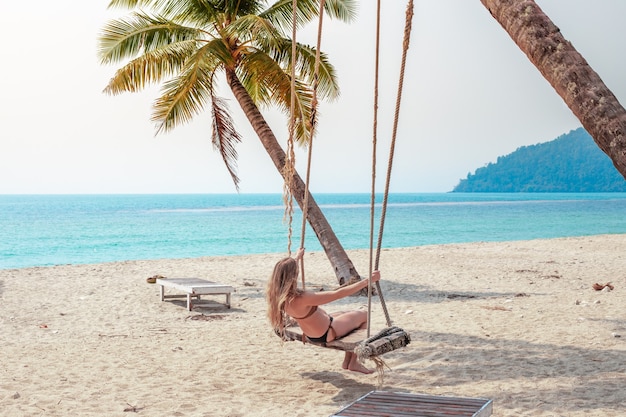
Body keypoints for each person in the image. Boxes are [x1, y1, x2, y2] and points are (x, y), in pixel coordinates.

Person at [266, 247, 381, 374]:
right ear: (293, 276)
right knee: (365, 315)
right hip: (327, 332)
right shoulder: (302, 298)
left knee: (348, 313)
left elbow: (287, 272)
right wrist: (367, 281)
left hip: (313, 332)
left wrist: (297, 257)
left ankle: (347, 362)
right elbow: (338, 293)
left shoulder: (278, 296)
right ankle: (353, 362)